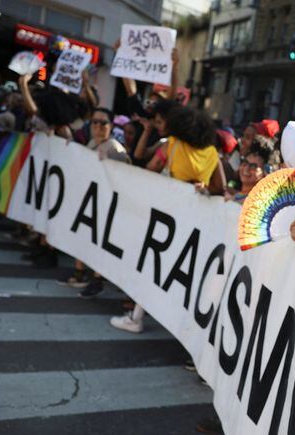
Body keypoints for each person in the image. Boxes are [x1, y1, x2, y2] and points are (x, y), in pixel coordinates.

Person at [59, 107, 130, 298]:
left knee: (99, 242)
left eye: (103, 123)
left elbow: (124, 179)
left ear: (111, 126)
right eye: (95, 122)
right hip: (89, 200)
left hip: (105, 205)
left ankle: (97, 280)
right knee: (83, 236)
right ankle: (80, 273)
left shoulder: (114, 149)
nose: (98, 126)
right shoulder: (92, 142)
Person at [146, 106, 223, 194]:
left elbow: (152, 168)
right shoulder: (212, 152)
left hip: (169, 196)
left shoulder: (173, 143)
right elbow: (219, 187)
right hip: (196, 203)